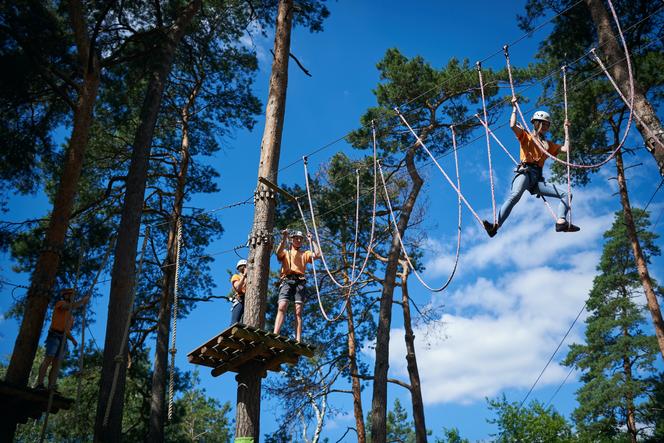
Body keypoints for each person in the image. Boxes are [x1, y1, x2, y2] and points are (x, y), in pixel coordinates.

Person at [483, 98, 581, 237]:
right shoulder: (526, 136)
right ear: (536, 123)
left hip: (537, 179)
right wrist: (514, 108)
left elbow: (566, 148)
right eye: (543, 124)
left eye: (547, 125)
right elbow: (512, 125)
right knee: (515, 196)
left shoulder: (548, 145)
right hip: (526, 172)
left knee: (567, 194)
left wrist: (566, 131)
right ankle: (495, 226)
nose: (545, 127)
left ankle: (561, 222)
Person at [35, 288, 89, 391]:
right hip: (54, 335)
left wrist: (72, 339)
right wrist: (82, 301)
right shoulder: (61, 303)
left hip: (63, 338)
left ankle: (51, 387)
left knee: (57, 364)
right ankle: (40, 384)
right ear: (66, 296)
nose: (74, 297)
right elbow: (68, 306)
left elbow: (66, 330)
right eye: (72, 295)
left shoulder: (71, 317)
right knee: (48, 359)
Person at [273, 229, 320, 342]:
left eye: (300, 239)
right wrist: (284, 237)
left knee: (298, 311)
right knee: (282, 306)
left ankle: (298, 339)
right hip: (287, 280)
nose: (298, 240)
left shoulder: (305, 253)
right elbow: (278, 252)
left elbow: (317, 254)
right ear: (292, 239)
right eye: (296, 238)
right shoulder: (286, 252)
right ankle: (275, 333)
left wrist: (312, 240)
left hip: (299, 282)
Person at [230, 259, 247, 325]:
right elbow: (238, 288)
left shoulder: (250, 278)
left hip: (247, 301)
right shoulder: (236, 276)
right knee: (235, 322)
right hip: (240, 300)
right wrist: (244, 276)